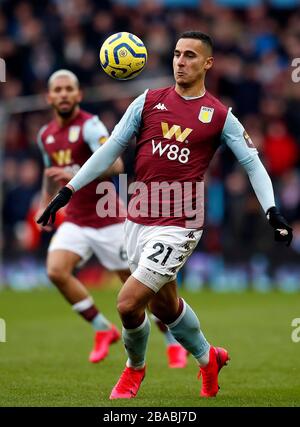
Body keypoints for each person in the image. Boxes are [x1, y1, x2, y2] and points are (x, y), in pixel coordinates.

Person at [38, 33, 293, 399]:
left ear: (208, 63)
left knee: (127, 303)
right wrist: (68, 191)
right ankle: (209, 359)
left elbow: (253, 164)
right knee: (166, 306)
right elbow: (109, 150)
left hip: (180, 223)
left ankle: (134, 370)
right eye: (176, 54)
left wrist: (272, 210)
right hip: (137, 218)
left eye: (190, 55)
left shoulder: (220, 115)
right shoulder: (148, 101)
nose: (180, 61)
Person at [37, 69, 186, 368]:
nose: (64, 94)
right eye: (58, 90)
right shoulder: (46, 135)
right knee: (55, 271)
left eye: (69, 89)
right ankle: (103, 329)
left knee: (140, 292)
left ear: (78, 95)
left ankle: (173, 342)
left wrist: (75, 173)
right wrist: (46, 204)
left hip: (110, 220)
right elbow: (50, 172)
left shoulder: (92, 126)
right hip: (76, 220)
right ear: (49, 97)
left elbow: (116, 164)